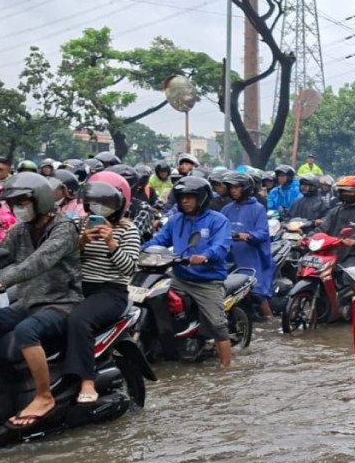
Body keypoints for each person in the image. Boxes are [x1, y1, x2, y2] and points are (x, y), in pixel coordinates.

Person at [0, 173, 83, 428]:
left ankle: (44, 396)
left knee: (26, 331)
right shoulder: (20, 231)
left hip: (62, 303)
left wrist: (2, 282)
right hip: (27, 302)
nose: (18, 209)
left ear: (40, 200)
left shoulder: (64, 228)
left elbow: (39, 260)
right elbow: (0, 256)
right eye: (14, 204)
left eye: (23, 202)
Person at [64, 172, 140, 404]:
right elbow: (62, 260)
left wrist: (111, 243)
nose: (99, 207)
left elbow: (129, 269)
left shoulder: (128, 230)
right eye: (94, 201)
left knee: (79, 320)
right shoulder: (78, 224)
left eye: (105, 202)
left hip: (110, 291)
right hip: (77, 288)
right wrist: (81, 243)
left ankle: (87, 380)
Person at [143, 177, 233, 368]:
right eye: (182, 197)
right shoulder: (176, 220)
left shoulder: (218, 220)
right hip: (179, 276)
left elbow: (222, 245)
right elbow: (159, 240)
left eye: (190, 197)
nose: (185, 201)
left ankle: (226, 368)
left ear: (202, 197)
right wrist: (138, 250)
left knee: (218, 325)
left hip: (207, 281)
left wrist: (205, 255)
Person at [222, 173, 275, 319]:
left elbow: (263, 233)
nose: (233, 190)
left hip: (252, 255)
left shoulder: (257, 208)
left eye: (237, 187)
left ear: (245, 188)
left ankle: (269, 318)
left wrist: (247, 236)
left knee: (257, 291)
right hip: (230, 255)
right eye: (231, 187)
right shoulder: (226, 209)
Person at [320, 176, 355, 274]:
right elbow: (322, 228)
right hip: (332, 251)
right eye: (343, 191)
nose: (345, 194)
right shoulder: (335, 211)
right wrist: (308, 237)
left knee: (350, 274)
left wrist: (353, 240)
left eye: (349, 191)